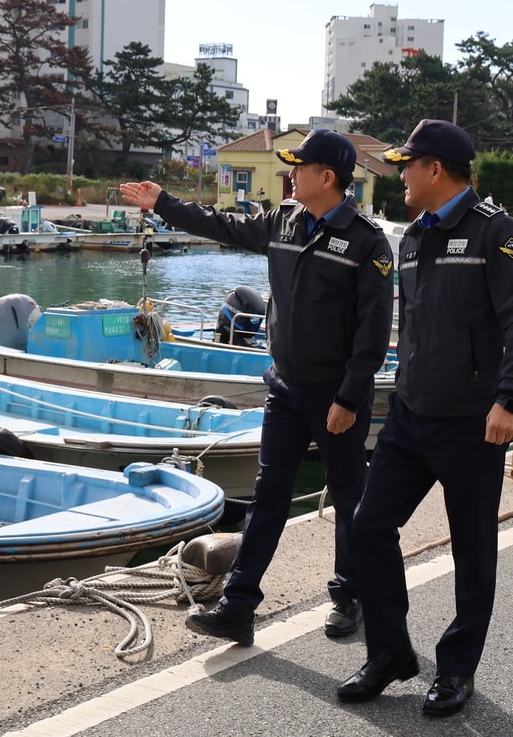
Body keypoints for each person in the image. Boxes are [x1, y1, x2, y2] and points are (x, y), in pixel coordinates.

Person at [119, 129, 394, 646]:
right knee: (268, 496)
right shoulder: (282, 221)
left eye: (299, 166)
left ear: (327, 177)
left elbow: (372, 332)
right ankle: (238, 606)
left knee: (348, 496)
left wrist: (349, 397)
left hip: (335, 393)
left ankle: (350, 596)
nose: (291, 173)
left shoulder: (367, 242)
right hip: (286, 388)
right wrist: (165, 205)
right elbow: (221, 224)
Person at [336, 119, 513, 717]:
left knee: (472, 552)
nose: (401, 175)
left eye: (408, 165)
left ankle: (456, 670)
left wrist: (510, 400)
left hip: (472, 422)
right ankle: (390, 652)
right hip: (410, 413)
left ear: (435, 169)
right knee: (368, 525)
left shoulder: (495, 234)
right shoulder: (411, 238)